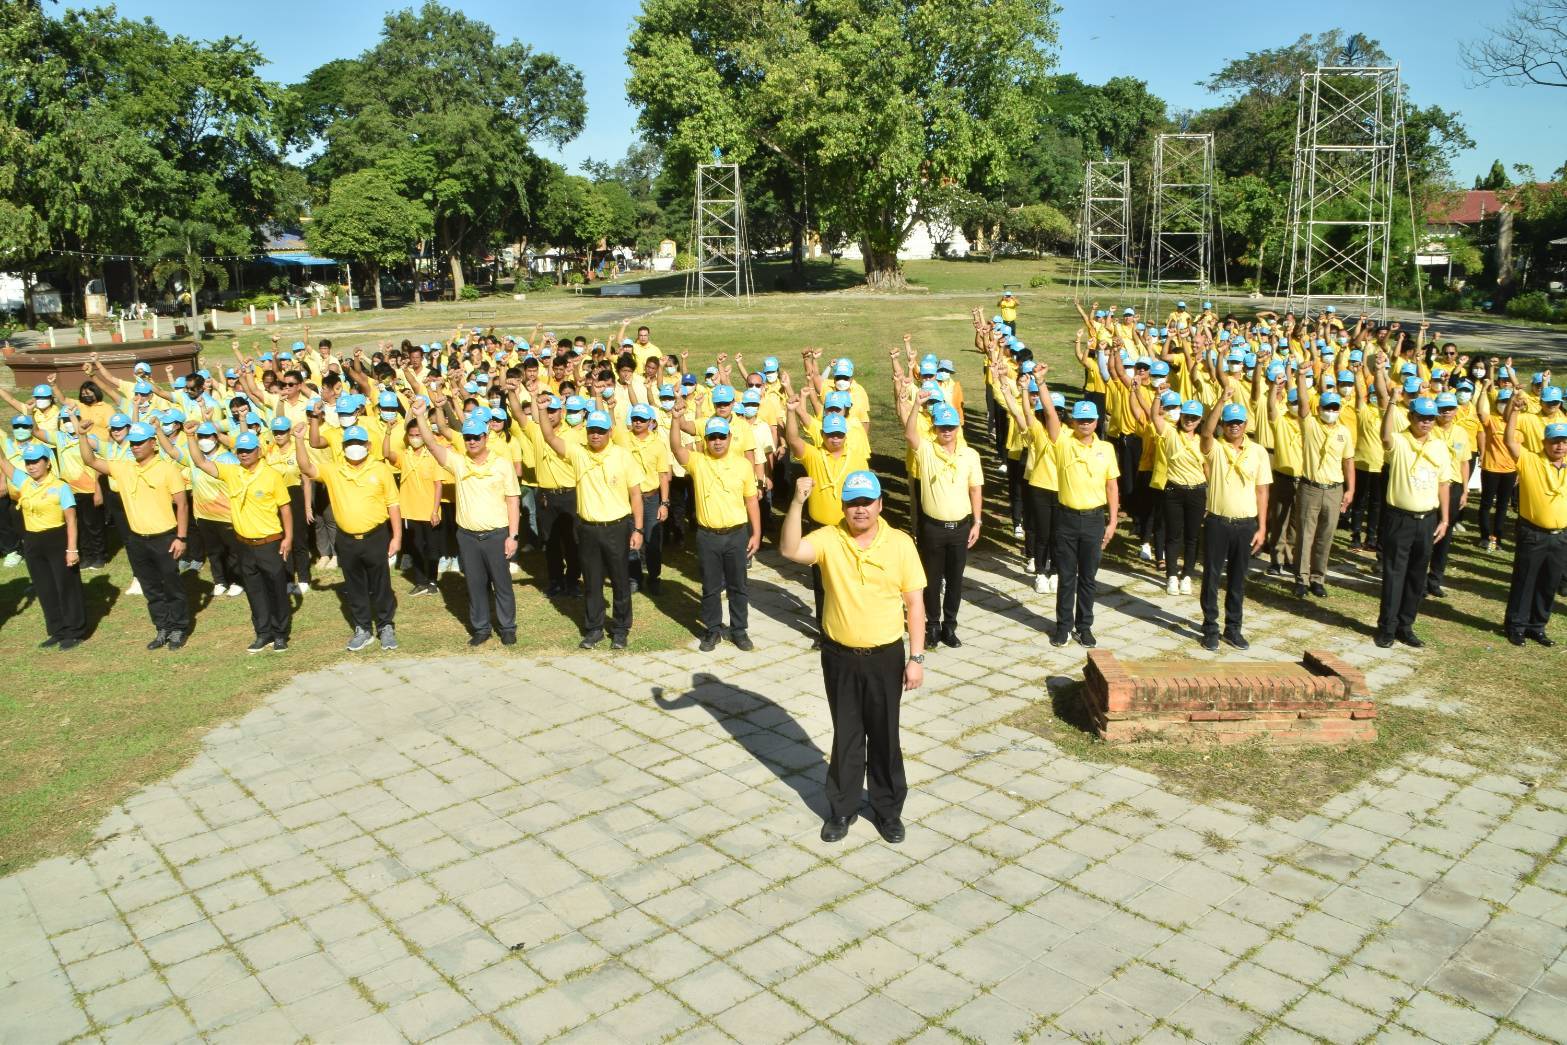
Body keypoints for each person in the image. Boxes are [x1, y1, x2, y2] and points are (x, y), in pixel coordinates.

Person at [778, 470, 926, 845]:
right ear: (842, 506)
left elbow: (915, 604)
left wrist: (917, 658)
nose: (860, 510)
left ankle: (888, 810)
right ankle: (841, 808)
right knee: (846, 734)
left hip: (885, 656)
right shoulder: (829, 538)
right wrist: (796, 502)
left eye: (866, 502)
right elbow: (790, 550)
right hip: (840, 656)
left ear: (880, 504)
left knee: (884, 735)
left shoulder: (900, 543)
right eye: (852, 503)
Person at [412, 399, 521, 646]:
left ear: (485, 437)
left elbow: (513, 501)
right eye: (468, 437)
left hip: (496, 535)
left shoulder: (502, 465)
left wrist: (512, 536)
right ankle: (481, 628)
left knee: (502, 584)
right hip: (468, 537)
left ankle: (507, 627)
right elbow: (431, 443)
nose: (471, 441)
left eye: (476, 437)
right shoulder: (459, 463)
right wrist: (420, 417)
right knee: (474, 584)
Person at [535, 405, 644, 650]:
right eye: (592, 430)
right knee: (592, 582)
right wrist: (541, 409)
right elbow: (550, 437)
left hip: (617, 527)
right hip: (588, 529)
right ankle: (594, 628)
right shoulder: (579, 453)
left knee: (620, 581)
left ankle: (620, 629)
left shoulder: (622, 455)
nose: (595, 435)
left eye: (601, 431)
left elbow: (636, 494)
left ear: (610, 431)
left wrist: (637, 529)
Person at [78, 419, 191, 650]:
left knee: (172, 586)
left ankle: (179, 627)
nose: (135, 446)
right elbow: (90, 460)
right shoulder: (124, 467)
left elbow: (182, 504)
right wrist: (81, 435)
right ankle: (162, 628)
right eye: (133, 443)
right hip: (137, 539)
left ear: (153, 443)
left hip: (165, 538)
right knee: (151, 588)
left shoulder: (167, 469)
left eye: (140, 442)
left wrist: (181, 537)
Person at [183, 427, 294, 653]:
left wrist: (288, 537)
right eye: (240, 450)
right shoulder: (232, 472)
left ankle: (280, 633)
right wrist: (190, 436)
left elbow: (286, 508)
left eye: (248, 450)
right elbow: (201, 462)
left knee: (276, 590)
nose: (243, 454)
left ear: (258, 451)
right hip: (244, 543)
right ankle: (263, 633)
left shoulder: (271, 475)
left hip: (269, 542)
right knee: (254, 590)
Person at [296, 424, 402, 651]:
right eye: (349, 443)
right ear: (343, 447)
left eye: (358, 443)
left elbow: (393, 503)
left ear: (368, 446)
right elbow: (306, 467)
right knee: (354, 585)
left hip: (376, 536)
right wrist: (298, 439)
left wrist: (397, 537)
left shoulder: (380, 470)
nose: (354, 447)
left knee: (381, 583)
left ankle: (385, 626)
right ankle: (363, 628)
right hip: (347, 539)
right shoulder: (334, 470)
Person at [668, 408, 761, 652]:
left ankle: (739, 630)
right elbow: (677, 448)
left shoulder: (743, 465)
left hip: (736, 534)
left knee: (738, 585)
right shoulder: (698, 462)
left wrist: (757, 533)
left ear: (730, 438)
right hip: (708, 536)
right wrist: (675, 421)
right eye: (712, 437)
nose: (717, 442)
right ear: (705, 440)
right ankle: (712, 630)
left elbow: (752, 501)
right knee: (710, 586)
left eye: (721, 437)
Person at [1373, 366, 1453, 648]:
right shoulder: (1400, 441)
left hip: (1427, 520)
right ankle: (1387, 627)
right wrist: (1393, 402)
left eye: (1431, 418)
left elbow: (1444, 483)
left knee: (1417, 575)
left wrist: (1444, 519)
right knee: (1395, 573)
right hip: (1400, 518)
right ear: (1411, 417)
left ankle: (1406, 625)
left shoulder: (1440, 446)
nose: (1427, 423)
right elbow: (1384, 437)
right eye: (1422, 418)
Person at [1039, 387, 1119, 649]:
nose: (1085, 424)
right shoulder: (1063, 442)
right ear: (1072, 421)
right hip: (1066, 519)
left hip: (1094, 519)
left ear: (1097, 422)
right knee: (1066, 576)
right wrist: (1041, 385)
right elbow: (1050, 415)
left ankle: (1084, 627)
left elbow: (1111, 486)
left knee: (1088, 577)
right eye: (1080, 420)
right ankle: (1063, 627)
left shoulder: (1106, 448)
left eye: (1089, 420)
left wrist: (1113, 520)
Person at [903, 392, 982, 649]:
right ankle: (933, 625)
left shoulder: (970, 455)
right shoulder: (926, 450)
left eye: (951, 427)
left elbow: (975, 490)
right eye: (942, 427)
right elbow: (910, 434)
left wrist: (978, 522)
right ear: (934, 427)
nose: (946, 431)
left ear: (958, 428)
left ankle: (950, 626)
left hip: (960, 528)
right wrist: (916, 404)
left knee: (955, 580)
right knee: (931, 579)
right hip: (933, 528)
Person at [1197, 403, 1271, 650]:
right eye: (1229, 422)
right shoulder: (1215, 448)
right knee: (1211, 576)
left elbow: (1262, 490)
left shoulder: (1258, 452)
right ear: (1223, 425)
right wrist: (1221, 399)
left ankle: (1233, 628)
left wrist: (1262, 527)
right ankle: (1210, 627)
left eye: (1238, 422)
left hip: (1245, 524)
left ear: (1246, 425)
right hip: (1218, 521)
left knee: (1238, 579)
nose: (1234, 426)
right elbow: (1206, 433)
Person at [0, 442, 86, 648]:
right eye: (28, 462)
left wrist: (72, 549)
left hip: (57, 539)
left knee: (66, 585)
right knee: (45, 587)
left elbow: (71, 520)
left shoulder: (60, 487)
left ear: (47, 463)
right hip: (33, 541)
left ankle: (75, 631)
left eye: (36, 461)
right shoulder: (25, 482)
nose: (31, 466)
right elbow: (3, 462)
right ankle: (57, 630)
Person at [1501, 395, 1567, 645]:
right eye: (1554, 442)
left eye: (1563, 442)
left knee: (1549, 583)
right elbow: (1509, 441)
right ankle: (1516, 625)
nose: (1559, 447)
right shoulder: (1530, 459)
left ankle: (1537, 626)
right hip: (1533, 533)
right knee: (1525, 580)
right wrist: (1515, 412)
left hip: (1561, 535)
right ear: (1545, 442)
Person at [1292, 371, 1355, 598]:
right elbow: (1302, 404)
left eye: (1334, 408)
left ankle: (1318, 578)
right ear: (1319, 409)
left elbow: (1348, 461)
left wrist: (1351, 489)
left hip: (1334, 489)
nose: (1330, 412)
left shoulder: (1344, 432)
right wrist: (1300, 377)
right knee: (1306, 535)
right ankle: (1301, 578)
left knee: (1325, 535)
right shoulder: (1309, 425)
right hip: (1310, 487)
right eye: (1327, 408)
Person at [624, 404, 672, 595]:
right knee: (632, 540)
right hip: (628, 498)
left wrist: (664, 503)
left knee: (653, 541)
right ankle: (634, 578)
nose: (638, 422)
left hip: (651, 498)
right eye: (635, 418)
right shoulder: (622, 439)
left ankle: (654, 577)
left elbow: (663, 476)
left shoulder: (658, 444)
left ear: (651, 422)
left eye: (642, 419)